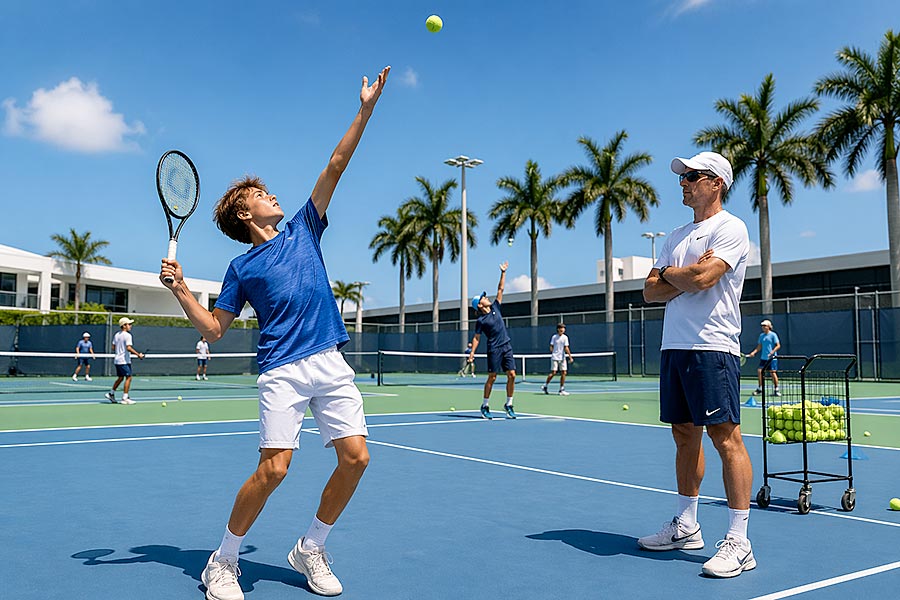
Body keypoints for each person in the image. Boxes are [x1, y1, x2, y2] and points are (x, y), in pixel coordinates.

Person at [159, 66, 390, 600]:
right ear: (246, 211)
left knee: (356, 458)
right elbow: (214, 330)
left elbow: (336, 164)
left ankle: (312, 546)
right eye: (260, 192)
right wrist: (182, 293)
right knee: (275, 469)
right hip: (283, 369)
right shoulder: (242, 268)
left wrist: (366, 108)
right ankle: (223, 560)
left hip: (328, 359)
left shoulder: (305, 228)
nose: (270, 194)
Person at [639, 151, 755, 578]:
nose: (683, 183)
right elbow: (650, 292)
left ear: (716, 182)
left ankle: (739, 542)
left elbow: (706, 280)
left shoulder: (731, 228)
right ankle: (686, 526)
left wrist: (672, 275)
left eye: (692, 176)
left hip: (713, 347)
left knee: (726, 438)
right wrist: (678, 273)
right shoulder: (675, 235)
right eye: (682, 177)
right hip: (675, 348)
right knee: (684, 435)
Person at [467, 261, 517, 420]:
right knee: (493, 377)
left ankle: (509, 404)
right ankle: (485, 405)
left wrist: (503, 272)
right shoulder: (481, 320)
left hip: (506, 346)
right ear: (480, 305)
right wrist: (472, 353)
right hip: (494, 349)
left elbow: (500, 289)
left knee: (513, 375)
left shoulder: (496, 307)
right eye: (483, 297)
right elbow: (476, 337)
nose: (486, 297)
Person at [106, 317, 144, 404]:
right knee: (129, 377)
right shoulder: (127, 335)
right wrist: (138, 355)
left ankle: (111, 393)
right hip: (123, 361)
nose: (130, 326)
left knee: (120, 378)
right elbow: (128, 348)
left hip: (118, 360)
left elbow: (113, 347)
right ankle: (125, 398)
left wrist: (120, 349)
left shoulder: (117, 335)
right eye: (129, 324)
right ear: (124, 326)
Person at [747, 319, 781, 396]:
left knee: (773, 373)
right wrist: (753, 352)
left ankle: (776, 389)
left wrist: (772, 352)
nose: (763, 327)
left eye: (765, 326)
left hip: (772, 358)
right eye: (762, 326)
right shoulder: (761, 336)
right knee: (760, 371)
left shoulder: (773, 335)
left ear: (769, 326)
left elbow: (778, 345)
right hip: (763, 358)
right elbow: (759, 346)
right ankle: (760, 388)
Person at [541, 323, 574, 395]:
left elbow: (566, 348)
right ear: (558, 329)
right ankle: (545, 385)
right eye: (561, 328)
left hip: (562, 358)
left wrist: (570, 357)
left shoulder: (565, 337)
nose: (562, 329)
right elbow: (551, 346)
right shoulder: (554, 337)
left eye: (563, 328)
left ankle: (561, 389)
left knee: (564, 372)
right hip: (555, 357)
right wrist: (553, 352)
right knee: (554, 372)